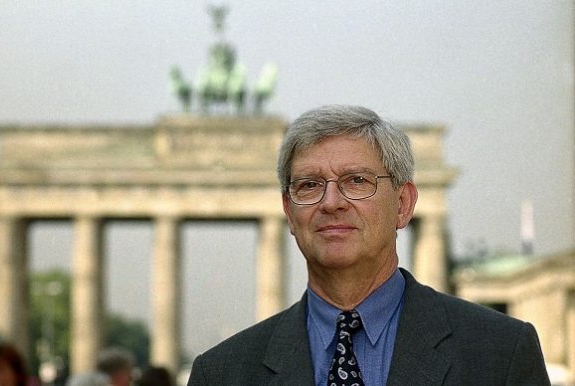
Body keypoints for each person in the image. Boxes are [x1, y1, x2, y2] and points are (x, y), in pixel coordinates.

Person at [187, 104, 551, 386]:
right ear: (289, 212)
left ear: (403, 204)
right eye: (309, 185)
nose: (331, 202)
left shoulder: (501, 353)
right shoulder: (221, 373)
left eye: (357, 181)